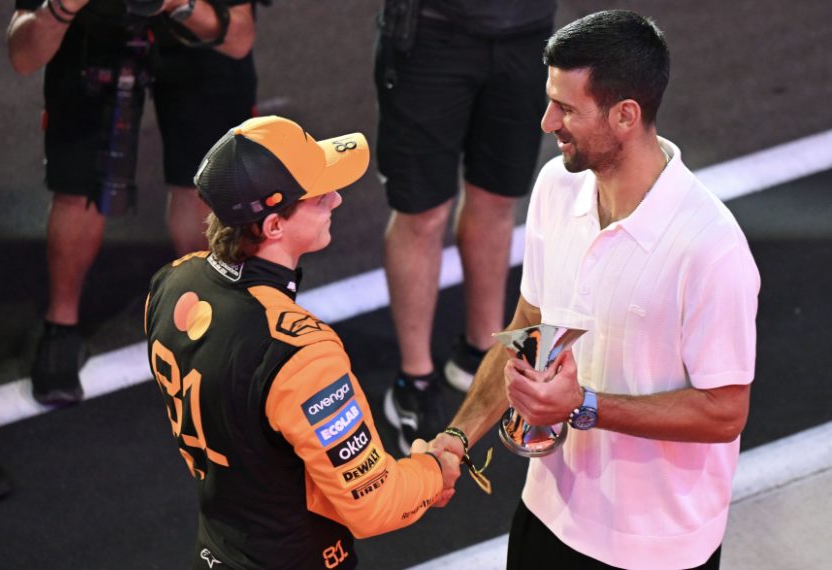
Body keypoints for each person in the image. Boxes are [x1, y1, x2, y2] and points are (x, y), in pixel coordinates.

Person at [430, 10, 761, 570]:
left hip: (657, 549)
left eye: (565, 109)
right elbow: (529, 322)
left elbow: (725, 412)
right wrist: (457, 439)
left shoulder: (712, 248)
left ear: (625, 115)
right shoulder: (555, 188)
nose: (546, 122)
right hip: (547, 513)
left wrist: (582, 406)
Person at [145, 116, 461, 569]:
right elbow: (373, 505)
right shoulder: (301, 354)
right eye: (318, 195)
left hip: (215, 550)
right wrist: (433, 471)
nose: (337, 198)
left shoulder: (171, 284)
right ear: (274, 226)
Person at [7, 0, 259, 406]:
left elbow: (239, 38)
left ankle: (207, 315)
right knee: (79, 188)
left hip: (192, 38)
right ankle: (61, 324)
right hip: (90, 34)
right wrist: (63, 7)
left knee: (203, 187)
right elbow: (23, 55)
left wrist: (179, 5)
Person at [374, 0, 558, 452]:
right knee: (423, 213)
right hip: (432, 32)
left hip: (527, 31)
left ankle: (483, 353)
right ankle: (415, 380)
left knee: (497, 199)